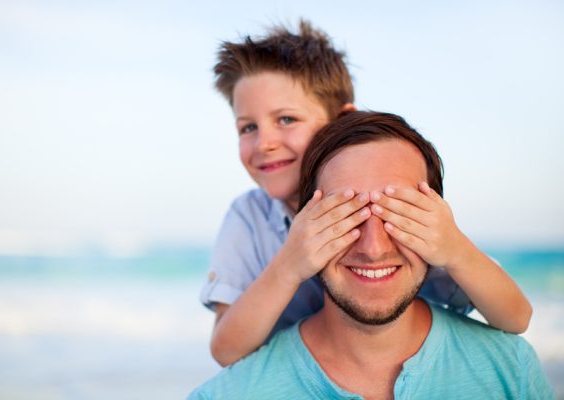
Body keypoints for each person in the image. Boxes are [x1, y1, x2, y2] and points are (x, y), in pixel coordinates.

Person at [201, 20, 532, 367]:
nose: (264, 143)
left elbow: (515, 318)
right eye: (248, 127)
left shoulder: (389, 207)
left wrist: (454, 249)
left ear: (342, 120)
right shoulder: (248, 218)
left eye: (286, 120)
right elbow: (225, 350)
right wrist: (288, 265)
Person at [190, 111, 554, 399]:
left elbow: (517, 315)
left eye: (399, 213)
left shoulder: (512, 372)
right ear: (302, 228)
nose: (373, 248)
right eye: (346, 215)